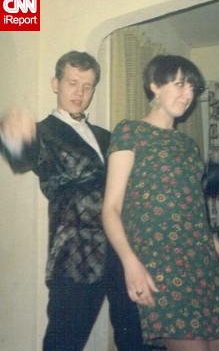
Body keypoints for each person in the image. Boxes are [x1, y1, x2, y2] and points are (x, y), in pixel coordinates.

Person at [0, 50, 146, 351]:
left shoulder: (109, 137)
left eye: (87, 86)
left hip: (122, 250)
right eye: (72, 83)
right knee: (63, 343)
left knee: (133, 338)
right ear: (56, 83)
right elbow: (22, 158)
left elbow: (145, 174)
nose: (80, 92)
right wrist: (13, 136)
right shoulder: (43, 132)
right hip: (75, 255)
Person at [102, 54, 219, 351]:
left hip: (202, 258)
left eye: (192, 87)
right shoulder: (130, 131)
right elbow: (111, 208)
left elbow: (193, 211)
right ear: (155, 85)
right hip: (161, 259)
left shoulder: (187, 145)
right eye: (180, 84)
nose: (188, 94)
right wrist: (130, 262)